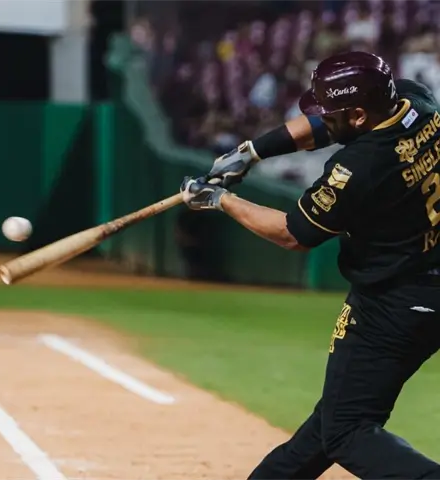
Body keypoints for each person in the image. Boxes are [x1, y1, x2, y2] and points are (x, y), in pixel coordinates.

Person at [180, 51, 440, 478]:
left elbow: (294, 233)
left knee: (346, 432)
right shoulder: (416, 102)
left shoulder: (360, 167)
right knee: (331, 422)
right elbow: (325, 126)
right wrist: (252, 152)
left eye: (332, 114)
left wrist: (220, 200)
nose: (322, 120)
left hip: (392, 304)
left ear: (358, 115)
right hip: (425, 287)